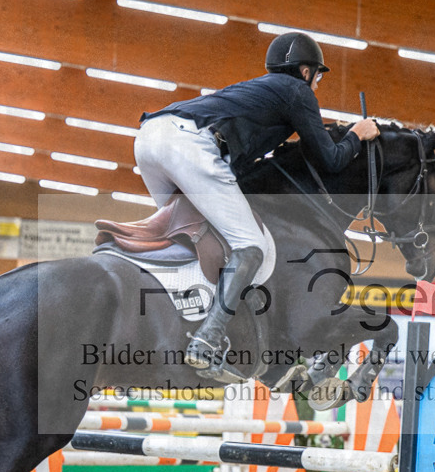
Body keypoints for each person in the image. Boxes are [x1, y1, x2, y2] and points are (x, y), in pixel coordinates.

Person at [134, 31, 380, 378]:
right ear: (306, 71)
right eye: (317, 76)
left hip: (148, 137)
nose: (317, 85)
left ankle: (173, 321)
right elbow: (331, 160)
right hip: (188, 146)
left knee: (196, 239)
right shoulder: (297, 91)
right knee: (251, 246)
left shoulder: (260, 92)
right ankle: (208, 338)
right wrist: (358, 133)